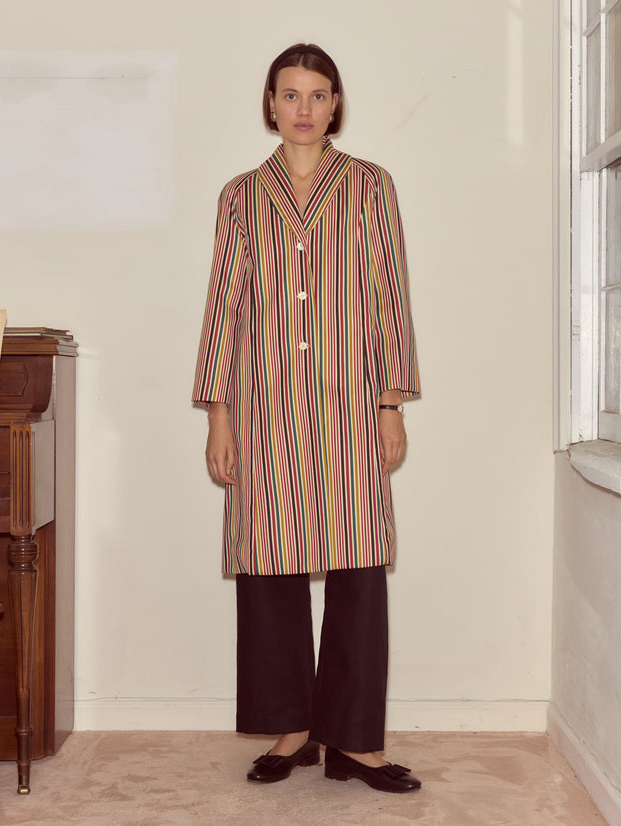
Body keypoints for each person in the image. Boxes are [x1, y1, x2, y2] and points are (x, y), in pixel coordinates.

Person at [193, 43, 421, 794]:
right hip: (262, 404)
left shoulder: (370, 186)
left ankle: (355, 742)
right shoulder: (240, 196)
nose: (303, 109)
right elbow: (224, 305)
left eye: (317, 95)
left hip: (350, 403)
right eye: (289, 94)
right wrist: (219, 415)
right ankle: (292, 727)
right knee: (269, 563)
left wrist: (389, 402)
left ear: (335, 103)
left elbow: (389, 296)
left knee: (358, 564)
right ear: (270, 103)